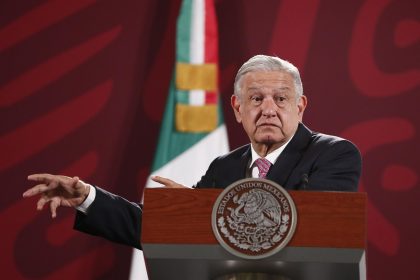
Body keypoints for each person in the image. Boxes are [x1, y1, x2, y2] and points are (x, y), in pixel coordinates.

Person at [23, 55, 362, 250]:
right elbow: (163, 227)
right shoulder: (225, 167)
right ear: (237, 107)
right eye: (256, 99)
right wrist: (87, 197)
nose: (269, 109)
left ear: (300, 107)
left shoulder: (334, 154)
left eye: (281, 98)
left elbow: (303, 228)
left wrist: (208, 214)